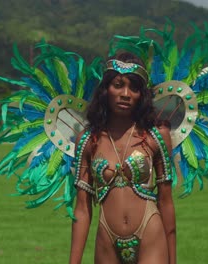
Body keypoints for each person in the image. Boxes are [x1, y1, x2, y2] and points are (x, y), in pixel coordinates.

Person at [69, 52, 177, 264]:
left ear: (141, 95)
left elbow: (166, 201)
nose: (125, 93)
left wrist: (173, 261)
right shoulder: (88, 140)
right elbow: (82, 209)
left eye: (134, 88)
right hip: (106, 238)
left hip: (150, 233)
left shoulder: (156, 135)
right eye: (118, 85)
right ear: (105, 90)